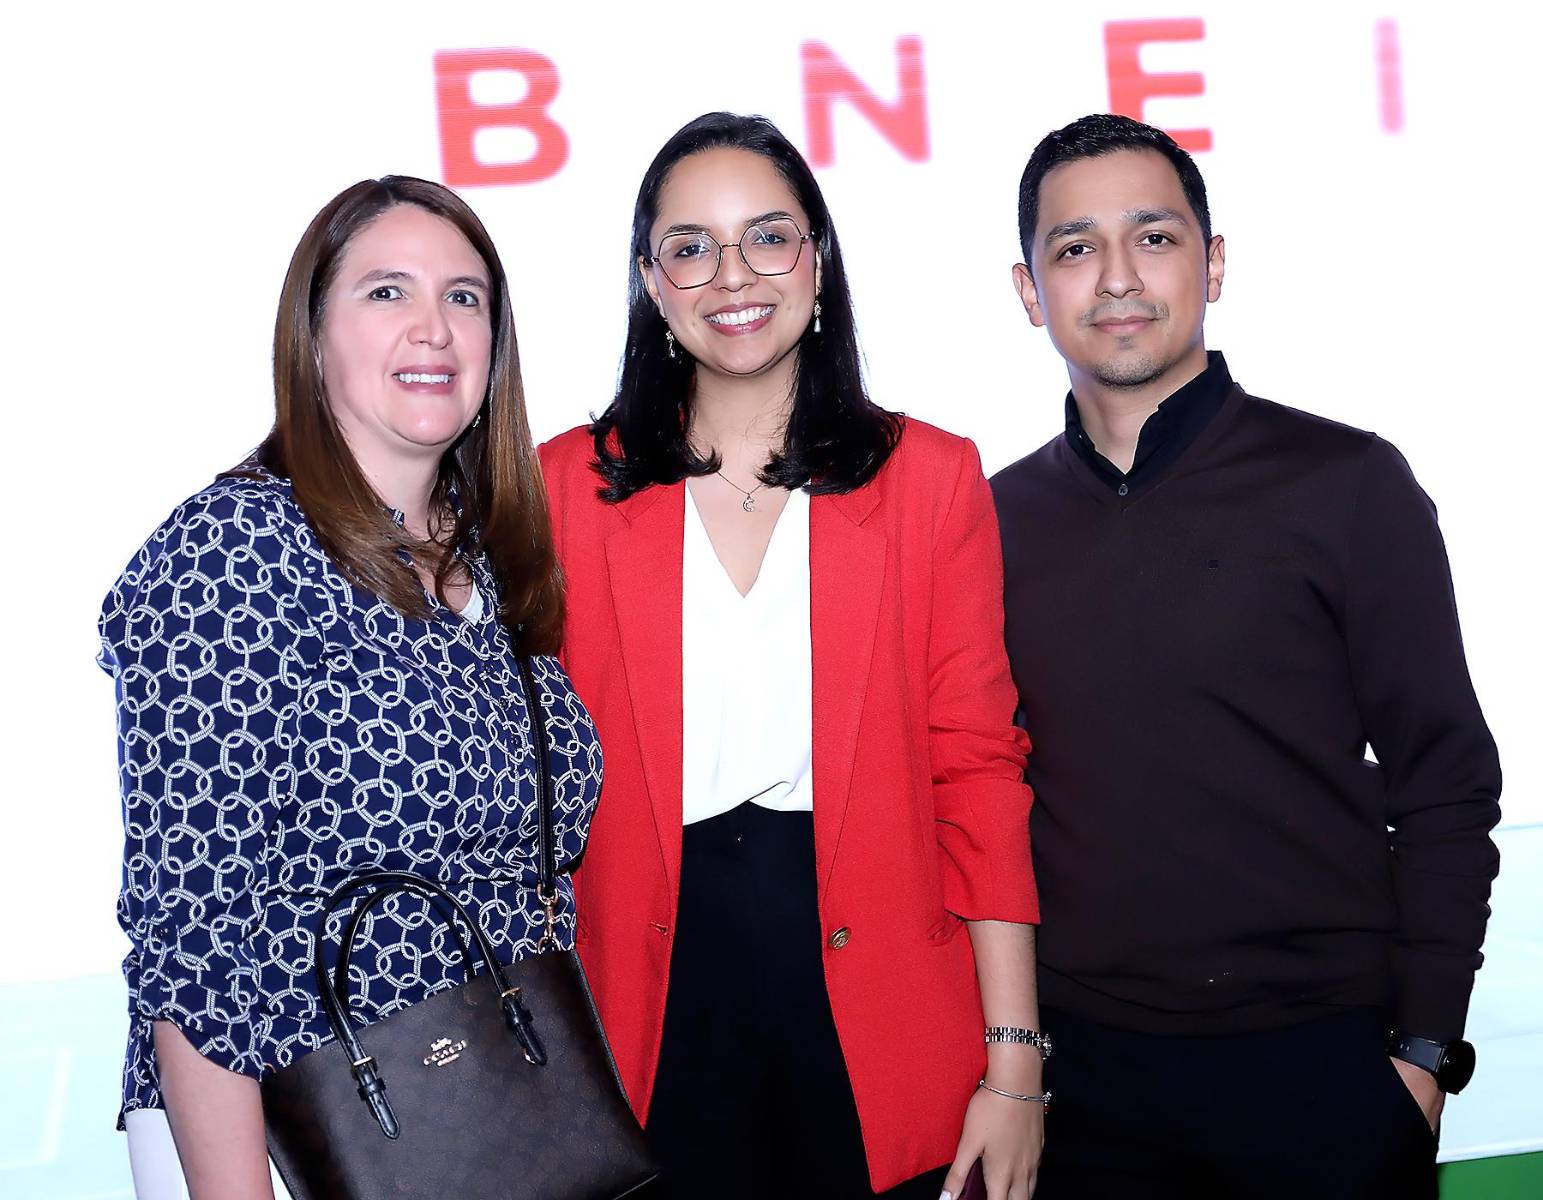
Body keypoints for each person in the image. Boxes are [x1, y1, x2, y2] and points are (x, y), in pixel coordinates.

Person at [991, 113, 1502, 1199]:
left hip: (1323, 1070)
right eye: (1075, 248)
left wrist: (1420, 1057)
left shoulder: (1347, 483)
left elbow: (1448, 787)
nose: (1117, 277)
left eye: (1156, 238)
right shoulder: (988, 523)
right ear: (1031, 291)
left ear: (1213, 264)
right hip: (1087, 1088)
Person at [538, 112, 1044, 1200]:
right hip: (650, 1013)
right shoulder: (559, 490)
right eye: (690, 246)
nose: (733, 275)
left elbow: (979, 775)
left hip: (881, 1008)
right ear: (651, 281)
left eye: (767, 237)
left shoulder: (931, 481)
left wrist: (1014, 1063)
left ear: (817, 257)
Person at [100, 176, 600, 1200]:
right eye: (386, 292)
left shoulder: (489, 561)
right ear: (312, 338)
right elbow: (194, 943)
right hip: (303, 1139)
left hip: (486, 1121)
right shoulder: (233, 553)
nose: (433, 327)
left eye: (465, 298)